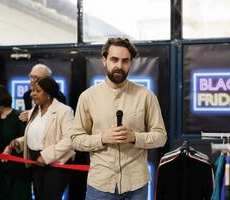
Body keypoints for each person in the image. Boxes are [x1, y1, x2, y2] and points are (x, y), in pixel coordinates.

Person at [71, 37, 167, 200]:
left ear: (130, 63)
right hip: (100, 186)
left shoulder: (145, 96)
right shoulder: (88, 97)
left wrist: (134, 137)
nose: (119, 66)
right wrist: (102, 138)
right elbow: (75, 140)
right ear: (104, 60)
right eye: (114, 60)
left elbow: (161, 137)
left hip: (137, 186)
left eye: (125, 61)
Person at [2, 76, 75, 200]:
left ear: (48, 94)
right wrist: (18, 142)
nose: (32, 94)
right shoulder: (33, 111)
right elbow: (34, 136)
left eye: (37, 91)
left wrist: (45, 157)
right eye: (32, 90)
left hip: (55, 165)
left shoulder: (65, 111)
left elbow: (69, 140)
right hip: (36, 163)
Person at [0, 85, 31, 200]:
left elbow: (24, 140)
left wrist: (12, 146)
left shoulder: (19, 116)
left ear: (0, 98)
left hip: (17, 170)